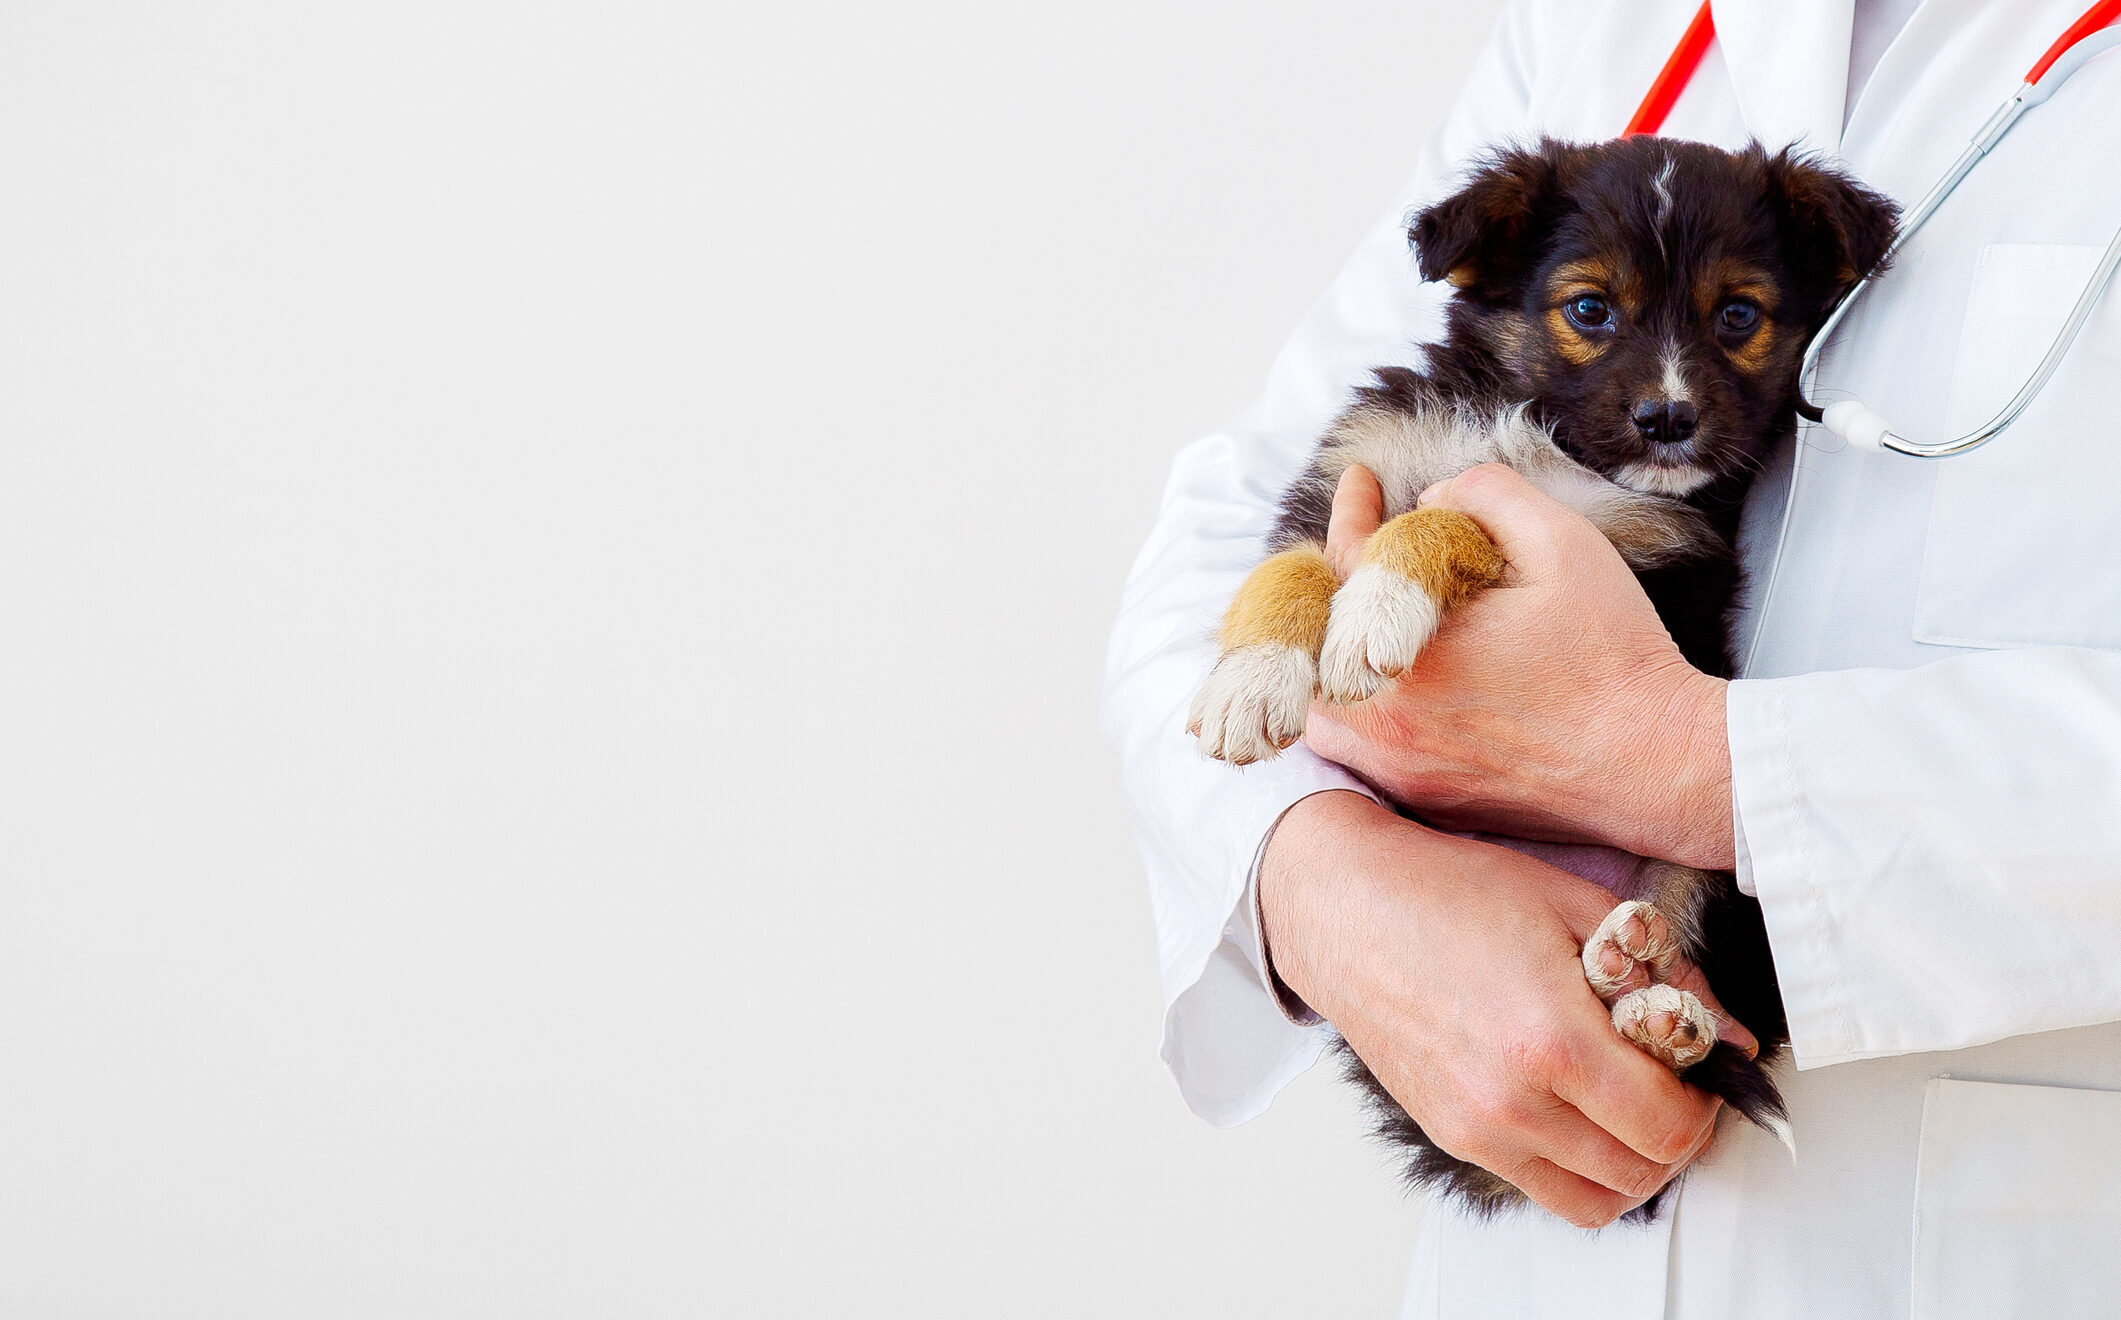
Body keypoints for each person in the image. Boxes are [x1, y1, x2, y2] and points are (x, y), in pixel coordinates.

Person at [1100, 1, 2121, 1314]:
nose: (1670, 389)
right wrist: (1319, 878)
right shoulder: (1593, 26)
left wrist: (1699, 773)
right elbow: (1248, 523)